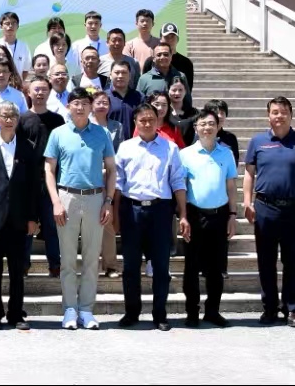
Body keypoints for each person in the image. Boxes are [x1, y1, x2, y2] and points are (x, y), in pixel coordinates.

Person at [44, 87, 116, 331]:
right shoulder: (58, 133)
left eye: (85, 103)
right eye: (76, 103)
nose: (80, 107)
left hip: (95, 198)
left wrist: (108, 201)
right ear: (69, 106)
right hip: (67, 197)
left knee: (91, 258)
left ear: (90, 106)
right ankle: (70, 309)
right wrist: (56, 201)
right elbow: (49, 170)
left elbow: (112, 169)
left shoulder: (101, 133)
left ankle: (86, 309)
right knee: (67, 259)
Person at [244, 96, 295, 328]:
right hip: (265, 208)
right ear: (268, 116)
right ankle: (269, 309)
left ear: (291, 115)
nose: (279, 116)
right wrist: (247, 202)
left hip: (293, 209)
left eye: (284, 112)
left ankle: (291, 309)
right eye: (275, 112)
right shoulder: (257, 142)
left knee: (291, 262)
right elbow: (249, 174)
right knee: (266, 261)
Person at [115, 103, 189, 332]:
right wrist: (115, 213)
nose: (147, 124)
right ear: (135, 122)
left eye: (151, 120)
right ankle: (131, 312)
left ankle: (160, 314)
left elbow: (177, 181)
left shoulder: (170, 148)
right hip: (132, 210)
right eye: (142, 120)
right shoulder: (125, 148)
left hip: (160, 211)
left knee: (161, 266)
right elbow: (118, 183)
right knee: (130, 266)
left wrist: (183, 214)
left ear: (158, 121)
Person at [0, 101, 41, 331]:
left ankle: (16, 314)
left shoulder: (27, 147)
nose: (9, 119)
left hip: (19, 218)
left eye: (13, 115)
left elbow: (34, 185)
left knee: (17, 270)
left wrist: (33, 217)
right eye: (5, 115)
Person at [180, 108, 238, 328]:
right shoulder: (185, 154)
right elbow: (181, 187)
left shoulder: (226, 153)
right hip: (194, 214)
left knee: (216, 267)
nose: (207, 128)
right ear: (196, 128)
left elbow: (231, 186)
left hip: (220, 215)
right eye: (202, 124)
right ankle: (192, 312)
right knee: (192, 267)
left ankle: (212, 311)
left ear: (218, 126)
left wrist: (232, 215)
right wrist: (183, 216)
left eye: (211, 123)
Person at [19, 75, 64, 277]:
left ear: (49, 92)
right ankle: (23, 265)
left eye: (44, 89)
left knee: (52, 226)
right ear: (28, 92)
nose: (40, 93)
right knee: (27, 227)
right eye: (36, 89)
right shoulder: (21, 120)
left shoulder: (57, 120)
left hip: (51, 181)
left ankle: (55, 264)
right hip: (27, 182)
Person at [91, 89, 124, 278]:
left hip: (109, 178)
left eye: (106, 102)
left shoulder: (116, 126)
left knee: (108, 221)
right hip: (88, 179)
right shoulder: (85, 125)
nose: (102, 106)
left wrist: (108, 169)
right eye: (98, 102)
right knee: (89, 224)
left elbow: (120, 152)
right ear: (91, 105)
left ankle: (110, 264)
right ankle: (92, 264)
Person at [143, 23, 195, 92]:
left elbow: (188, 90)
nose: (169, 40)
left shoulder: (186, 63)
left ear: (177, 39)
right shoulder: (150, 61)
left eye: (172, 37)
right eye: (166, 37)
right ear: (160, 39)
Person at [107, 60, 143, 139]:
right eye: (117, 72)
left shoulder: (139, 97)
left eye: (124, 73)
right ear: (110, 75)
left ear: (130, 76)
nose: (120, 76)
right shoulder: (104, 98)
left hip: (134, 143)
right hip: (110, 143)